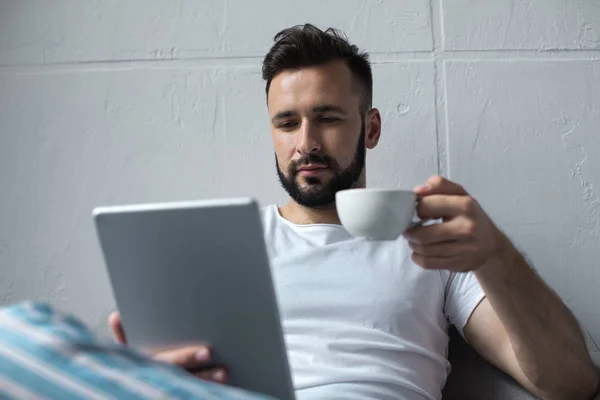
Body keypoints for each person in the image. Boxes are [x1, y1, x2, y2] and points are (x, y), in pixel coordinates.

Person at [109, 24, 599, 400]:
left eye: (327, 118)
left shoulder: (434, 241)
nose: (305, 143)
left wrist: (495, 254)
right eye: (287, 123)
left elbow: (571, 384)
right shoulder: (226, 245)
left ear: (370, 129)